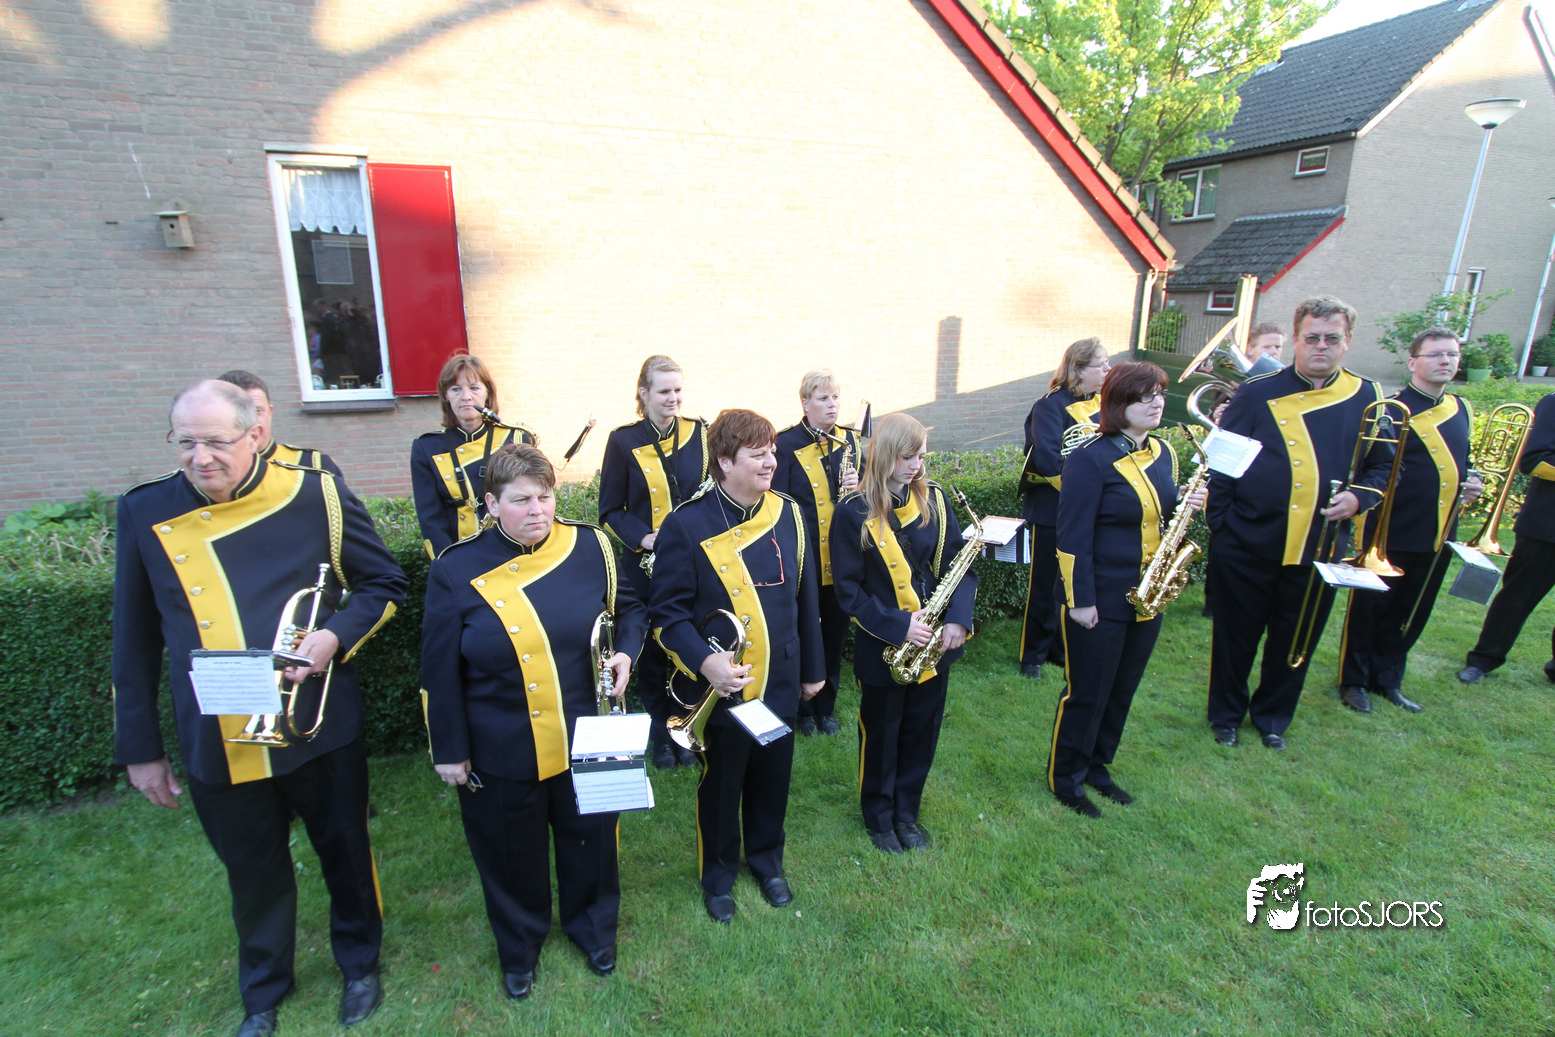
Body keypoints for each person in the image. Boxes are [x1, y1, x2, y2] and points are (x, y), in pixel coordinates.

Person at [113, 380, 407, 1037]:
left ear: (254, 434)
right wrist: (141, 749)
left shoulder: (314, 493)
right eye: (185, 442)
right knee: (252, 872)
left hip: (316, 723)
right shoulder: (143, 510)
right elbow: (132, 639)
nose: (200, 457)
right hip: (218, 734)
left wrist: (334, 636)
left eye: (217, 442)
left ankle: (360, 964)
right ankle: (264, 989)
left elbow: (384, 583)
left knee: (346, 854)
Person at [421, 443, 645, 1000]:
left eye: (544, 497)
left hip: (587, 731)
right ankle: (519, 946)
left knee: (592, 843)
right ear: (491, 504)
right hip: (501, 740)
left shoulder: (590, 545)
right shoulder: (455, 568)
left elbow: (632, 608)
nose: (537, 510)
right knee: (508, 853)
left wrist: (626, 652)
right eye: (520, 500)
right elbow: (439, 668)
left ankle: (592, 927)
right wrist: (449, 748)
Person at [650, 409, 825, 923]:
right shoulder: (686, 524)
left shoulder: (788, 512)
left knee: (773, 780)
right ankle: (718, 874)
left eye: (772, 451)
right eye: (757, 454)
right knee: (722, 788)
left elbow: (806, 597)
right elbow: (668, 615)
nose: (771, 461)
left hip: (781, 677)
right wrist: (706, 663)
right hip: (723, 689)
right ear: (725, 462)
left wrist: (814, 669)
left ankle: (768, 862)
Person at [1204, 296, 1392, 750]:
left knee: (1296, 638)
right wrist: (1221, 525)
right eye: (1312, 338)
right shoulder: (1257, 391)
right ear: (1296, 339)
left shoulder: (1369, 396)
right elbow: (1222, 462)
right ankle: (1225, 716)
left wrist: (1358, 497)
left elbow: (1385, 466)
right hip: (1247, 539)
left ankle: (1273, 717)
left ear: (1348, 341)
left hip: (1319, 544)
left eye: (1332, 338)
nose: (1321, 346)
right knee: (1235, 637)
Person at [1047, 362, 1203, 816]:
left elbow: (1159, 511)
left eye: (1160, 394)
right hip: (1098, 599)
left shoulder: (1163, 452)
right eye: (1144, 396)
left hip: (1148, 595)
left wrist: (1187, 500)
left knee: (1121, 689)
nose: (1157, 403)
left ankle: (1097, 768)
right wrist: (1081, 601)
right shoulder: (1089, 459)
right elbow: (1071, 535)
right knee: (1087, 692)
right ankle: (1066, 779)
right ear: (1118, 403)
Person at [831, 412, 975, 852]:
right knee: (882, 735)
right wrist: (898, 626)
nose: (916, 466)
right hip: (884, 646)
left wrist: (958, 619)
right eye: (907, 457)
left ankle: (906, 814)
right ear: (885, 454)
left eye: (921, 457)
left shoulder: (934, 499)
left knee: (921, 732)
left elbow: (959, 565)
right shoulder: (851, 512)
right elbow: (849, 592)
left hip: (933, 643)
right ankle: (879, 818)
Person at [1338, 329, 1481, 713]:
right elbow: (1370, 468)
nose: (1445, 361)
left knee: (1410, 610)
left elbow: (1463, 463)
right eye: (1435, 354)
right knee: (1369, 609)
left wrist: (1472, 485)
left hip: (1439, 530)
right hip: (1391, 528)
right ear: (1413, 362)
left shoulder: (1461, 408)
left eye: (1452, 354)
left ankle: (1388, 678)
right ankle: (1354, 682)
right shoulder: (1390, 410)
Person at [599, 355, 710, 770]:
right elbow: (610, 510)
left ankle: (686, 726)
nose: (673, 398)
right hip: (645, 566)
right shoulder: (622, 440)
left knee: (688, 643)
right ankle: (661, 736)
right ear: (643, 393)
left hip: (693, 563)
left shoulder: (700, 433)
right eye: (664, 391)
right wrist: (643, 538)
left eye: (678, 390)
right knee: (649, 655)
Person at [772, 369, 864, 737]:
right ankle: (803, 710)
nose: (832, 404)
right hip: (803, 560)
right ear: (805, 403)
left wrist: (859, 485)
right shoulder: (785, 443)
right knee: (803, 633)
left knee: (834, 635)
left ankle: (826, 709)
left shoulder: (849, 440)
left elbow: (863, 499)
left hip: (841, 558)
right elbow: (777, 504)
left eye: (836, 397)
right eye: (823, 398)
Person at [1017, 337, 1110, 680]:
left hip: (1088, 506)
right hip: (1052, 508)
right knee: (1045, 585)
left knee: (1075, 581)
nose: (1108, 370)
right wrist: (1080, 495)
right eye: (1101, 364)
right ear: (1078, 369)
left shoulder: (1102, 403)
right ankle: (1032, 655)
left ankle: (1059, 648)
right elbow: (1047, 459)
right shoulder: (1049, 406)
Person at [1458, 389, 1555, 685]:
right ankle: (1482, 660)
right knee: (1516, 598)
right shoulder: (1554, 402)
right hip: (1547, 524)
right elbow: (1534, 461)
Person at [411, 354, 535, 558]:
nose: (466, 397)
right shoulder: (426, 447)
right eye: (456, 389)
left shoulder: (516, 438)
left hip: (513, 551)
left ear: (487, 393)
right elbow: (430, 518)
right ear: (446, 396)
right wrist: (448, 562)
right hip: (456, 554)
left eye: (474, 388)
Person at [217, 369, 344, 476]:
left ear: (270, 412)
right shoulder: (210, 473)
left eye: (257, 411)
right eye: (238, 413)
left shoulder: (313, 465)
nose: (251, 422)